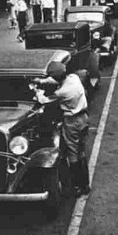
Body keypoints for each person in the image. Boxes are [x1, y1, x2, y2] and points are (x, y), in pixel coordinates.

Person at [33, 62, 91, 197]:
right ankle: (85, 184)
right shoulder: (73, 78)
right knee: (81, 150)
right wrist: (40, 80)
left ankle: (76, 186)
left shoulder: (62, 92)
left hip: (72, 122)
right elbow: (55, 79)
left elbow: (44, 100)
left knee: (73, 153)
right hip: (84, 118)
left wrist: (37, 90)